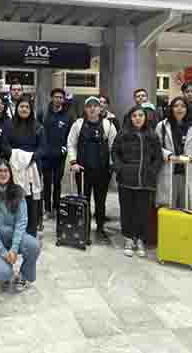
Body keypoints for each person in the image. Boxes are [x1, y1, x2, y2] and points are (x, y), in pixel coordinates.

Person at [0, 159, 41, 292]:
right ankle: (1, 269)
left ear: (10, 173)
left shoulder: (18, 191)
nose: (3, 174)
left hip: (13, 237)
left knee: (34, 246)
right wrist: (3, 252)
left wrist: (13, 249)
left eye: (6, 171)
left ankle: (24, 275)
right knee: (4, 274)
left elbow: (21, 222)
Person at [112, 106, 163, 258]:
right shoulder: (123, 134)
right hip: (126, 180)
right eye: (135, 116)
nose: (138, 118)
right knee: (127, 210)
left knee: (143, 211)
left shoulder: (152, 135)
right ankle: (128, 238)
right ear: (130, 118)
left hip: (146, 181)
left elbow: (158, 157)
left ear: (145, 118)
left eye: (141, 115)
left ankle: (139, 238)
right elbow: (115, 152)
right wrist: (119, 168)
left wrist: (152, 171)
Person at [66, 96, 117, 244]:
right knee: (84, 200)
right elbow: (71, 143)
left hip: (102, 170)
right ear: (85, 109)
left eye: (96, 106)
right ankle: (84, 228)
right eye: (89, 106)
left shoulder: (108, 125)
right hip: (82, 171)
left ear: (100, 108)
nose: (93, 108)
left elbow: (114, 147)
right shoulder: (78, 124)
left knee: (101, 201)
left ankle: (100, 229)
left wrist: (112, 165)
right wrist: (73, 162)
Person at [155, 97, 192, 214]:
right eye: (176, 106)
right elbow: (156, 146)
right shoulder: (162, 126)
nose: (179, 109)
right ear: (171, 108)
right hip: (169, 171)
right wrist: (169, 156)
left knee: (187, 208)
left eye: (183, 106)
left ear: (187, 109)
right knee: (169, 207)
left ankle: (184, 233)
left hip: (189, 171)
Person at [1, 98, 45, 236]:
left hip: (32, 167)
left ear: (31, 109)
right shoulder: (8, 125)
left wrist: (30, 158)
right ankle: (13, 232)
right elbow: (4, 144)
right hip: (13, 166)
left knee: (31, 201)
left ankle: (31, 231)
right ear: (16, 108)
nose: (24, 109)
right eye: (21, 106)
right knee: (13, 199)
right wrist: (17, 157)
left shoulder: (38, 126)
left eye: (27, 107)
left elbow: (43, 148)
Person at [41, 88, 73, 215]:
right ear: (52, 98)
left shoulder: (68, 116)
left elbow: (71, 135)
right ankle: (47, 209)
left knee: (57, 182)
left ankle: (56, 207)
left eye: (61, 97)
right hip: (46, 155)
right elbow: (38, 132)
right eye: (56, 97)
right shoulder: (43, 113)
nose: (58, 99)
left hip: (60, 155)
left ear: (64, 100)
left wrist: (65, 148)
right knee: (47, 182)